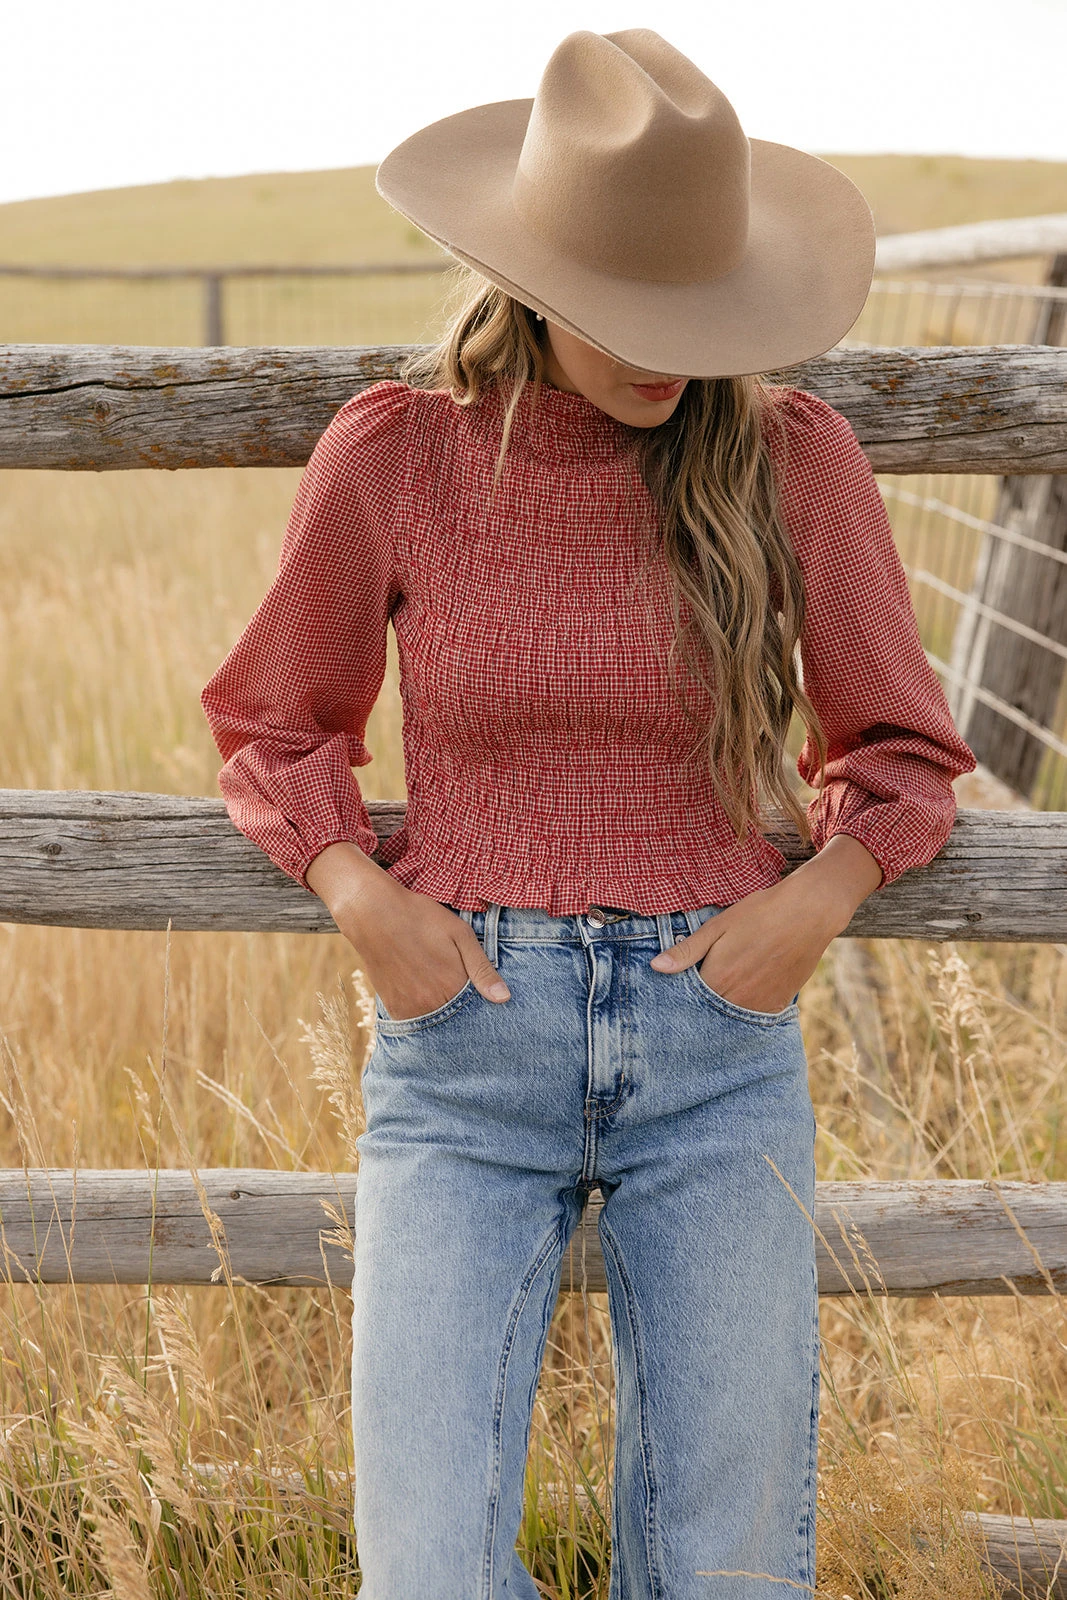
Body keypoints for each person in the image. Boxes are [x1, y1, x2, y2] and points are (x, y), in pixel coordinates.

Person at [200, 28, 977, 1599]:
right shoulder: (399, 452)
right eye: (627, 311)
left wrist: (808, 904)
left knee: (729, 1563)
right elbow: (275, 716)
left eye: (694, 312)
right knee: (425, 1567)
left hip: (714, 1047)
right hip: (464, 1048)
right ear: (531, 270)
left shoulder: (785, 457)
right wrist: (362, 898)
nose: (662, 353)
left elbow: (899, 745)